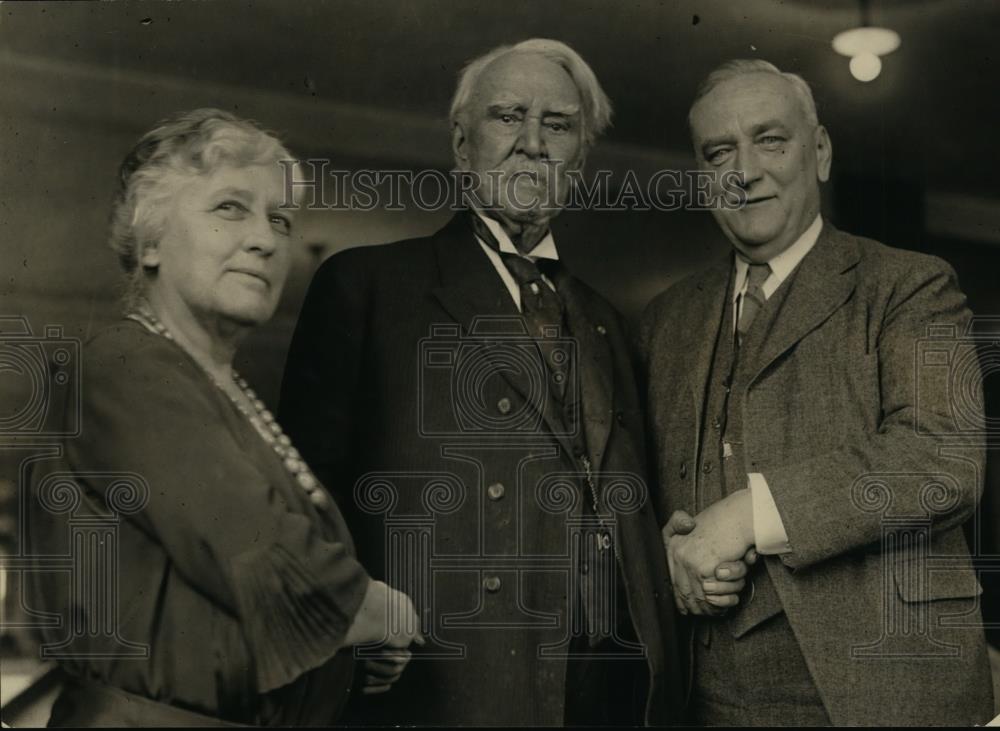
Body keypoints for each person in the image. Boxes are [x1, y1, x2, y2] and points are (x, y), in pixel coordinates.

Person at [279, 39, 721, 725]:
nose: (532, 142)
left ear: (580, 158)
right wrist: (352, 628)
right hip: (451, 685)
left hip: (613, 690)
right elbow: (302, 500)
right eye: (508, 116)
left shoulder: (609, 322)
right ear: (462, 143)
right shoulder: (370, 287)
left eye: (558, 124)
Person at [26, 109, 423, 726]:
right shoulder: (125, 365)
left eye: (280, 219)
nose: (266, 239)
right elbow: (261, 556)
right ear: (149, 240)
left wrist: (355, 652)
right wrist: (377, 611)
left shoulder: (219, 389)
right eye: (230, 208)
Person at [640, 59, 995, 725]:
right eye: (720, 151)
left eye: (770, 139)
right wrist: (666, 550)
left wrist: (750, 513)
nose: (744, 170)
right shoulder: (665, 320)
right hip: (708, 700)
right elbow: (646, 494)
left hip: (888, 688)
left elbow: (944, 462)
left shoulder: (910, 285)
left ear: (821, 153)